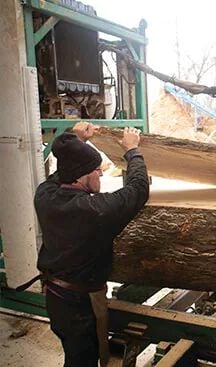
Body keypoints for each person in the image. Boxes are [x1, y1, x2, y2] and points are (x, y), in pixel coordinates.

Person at [34, 122, 149, 367]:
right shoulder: (94, 210)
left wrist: (76, 140)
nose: (102, 174)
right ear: (82, 176)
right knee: (84, 360)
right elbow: (138, 190)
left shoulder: (44, 195)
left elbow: (61, 172)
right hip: (81, 303)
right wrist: (132, 151)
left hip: (55, 299)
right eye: (97, 170)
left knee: (74, 355)